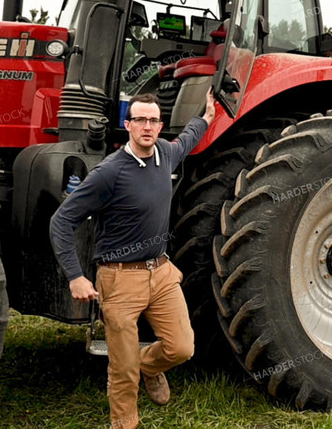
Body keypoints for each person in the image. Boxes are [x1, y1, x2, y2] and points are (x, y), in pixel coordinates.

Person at [50, 89, 217, 429]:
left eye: (153, 120)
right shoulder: (109, 173)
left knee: (182, 347)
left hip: (161, 272)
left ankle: (150, 367)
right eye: (140, 119)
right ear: (127, 124)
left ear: (159, 125)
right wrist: (75, 276)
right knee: (122, 370)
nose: (147, 126)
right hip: (120, 278)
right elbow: (61, 220)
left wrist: (208, 115)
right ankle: (124, 423)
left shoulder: (166, 155)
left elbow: (188, 138)